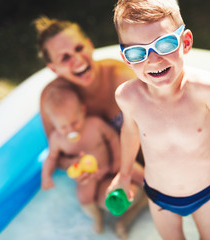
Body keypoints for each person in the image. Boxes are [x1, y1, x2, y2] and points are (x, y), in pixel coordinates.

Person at [107, 0, 210, 239]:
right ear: (126, 58)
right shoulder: (128, 97)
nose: (153, 60)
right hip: (158, 196)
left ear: (185, 42)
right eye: (137, 52)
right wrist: (123, 176)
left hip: (203, 194)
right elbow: (130, 133)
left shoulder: (206, 89)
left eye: (164, 44)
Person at [34, 16, 147, 239]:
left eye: (79, 48)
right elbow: (59, 152)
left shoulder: (121, 77)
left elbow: (161, 124)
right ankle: (128, 212)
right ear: (53, 68)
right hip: (103, 169)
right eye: (65, 57)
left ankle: (144, 200)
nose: (77, 59)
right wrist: (77, 168)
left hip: (146, 160)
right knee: (106, 200)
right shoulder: (54, 102)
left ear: (90, 44)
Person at [41, 85, 144, 234]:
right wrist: (46, 177)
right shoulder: (57, 139)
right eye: (63, 127)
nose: (71, 130)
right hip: (89, 177)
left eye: (74, 122)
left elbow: (113, 138)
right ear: (53, 123)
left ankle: (152, 188)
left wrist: (116, 158)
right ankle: (97, 217)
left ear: (82, 111)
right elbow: (52, 158)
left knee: (133, 169)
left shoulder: (94, 124)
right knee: (84, 197)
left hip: (111, 164)